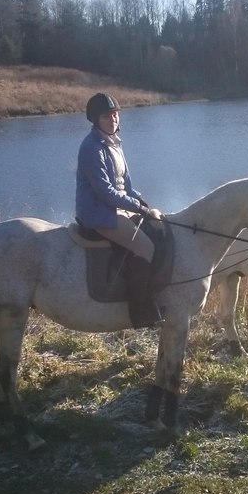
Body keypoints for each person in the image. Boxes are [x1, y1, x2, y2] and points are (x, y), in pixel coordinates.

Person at [76, 92, 164, 327]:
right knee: (146, 247)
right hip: (98, 213)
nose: (113, 119)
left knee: (158, 229)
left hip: (117, 207)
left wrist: (144, 204)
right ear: (96, 119)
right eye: (106, 116)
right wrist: (137, 207)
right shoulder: (91, 148)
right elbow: (105, 192)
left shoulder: (114, 143)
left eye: (115, 115)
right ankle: (140, 313)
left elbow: (127, 187)